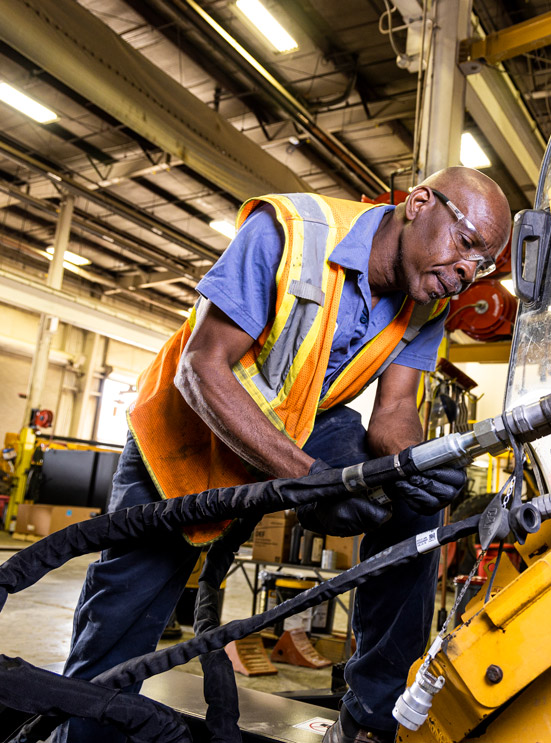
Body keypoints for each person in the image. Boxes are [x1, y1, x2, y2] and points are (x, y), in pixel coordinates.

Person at [57, 166, 511, 742]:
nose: (467, 272)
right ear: (420, 203)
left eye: (483, 264)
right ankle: (84, 732)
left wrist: (419, 463)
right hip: (189, 430)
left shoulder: (427, 300)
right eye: (466, 243)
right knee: (125, 611)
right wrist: (311, 480)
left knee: (411, 503)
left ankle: (373, 721)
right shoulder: (292, 233)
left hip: (301, 424)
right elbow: (201, 370)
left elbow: (394, 413)